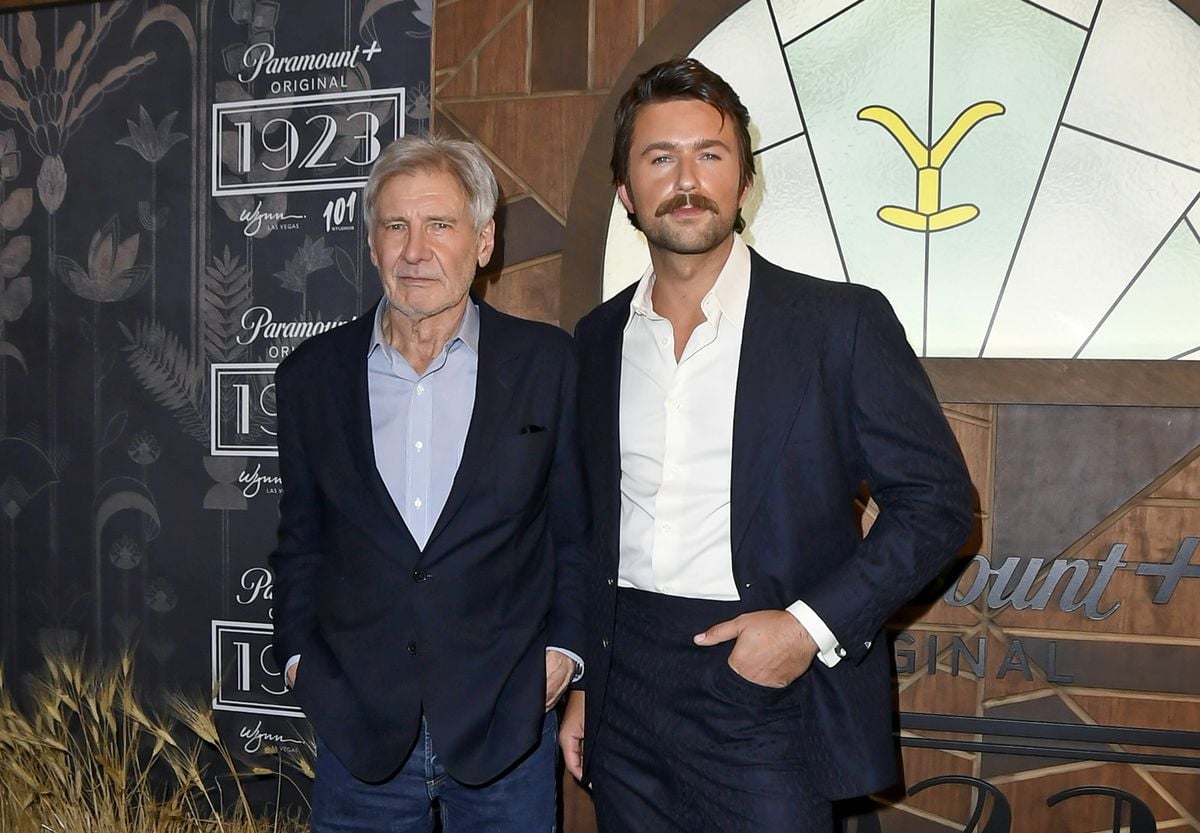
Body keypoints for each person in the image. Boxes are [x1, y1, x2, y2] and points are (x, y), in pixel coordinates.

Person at [560, 57, 974, 832]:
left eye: (709, 155)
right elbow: (587, 529)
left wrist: (807, 627)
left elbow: (940, 503)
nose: (686, 179)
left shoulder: (837, 323)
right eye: (659, 158)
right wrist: (587, 677)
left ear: (745, 182)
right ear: (626, 193)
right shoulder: (594, 341)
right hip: (626, 685)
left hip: (765, 688)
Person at [270, 134, 588, 833]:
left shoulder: (548, 365)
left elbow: (576, 532)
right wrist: (298, 657)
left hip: (508, 726)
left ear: (483, 241)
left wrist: (562, 656)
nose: (416, 251)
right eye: (395, 226)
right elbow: (301, 540)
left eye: (440, 224)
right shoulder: (310, 378)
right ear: (373, 244)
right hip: (359, 732)